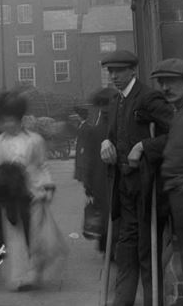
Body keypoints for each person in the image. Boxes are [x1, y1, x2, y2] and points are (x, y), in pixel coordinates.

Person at [99, 49, 173, 306]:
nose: (114, 76)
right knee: (125, 252)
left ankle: (154, 302)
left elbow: (176, 134)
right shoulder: (115, 100)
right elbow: (113, 134)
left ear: (133, 70)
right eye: (110, 71)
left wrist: (144, 146)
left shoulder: (149, 97)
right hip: (123, 188)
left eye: (118, 70)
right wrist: (106, 143)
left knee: (147, 254)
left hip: (147, 189)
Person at [0, 90, 60, 290]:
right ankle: (20, 277)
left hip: (34, 193)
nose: (7, 124)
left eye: (11, 120)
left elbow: (42, 165)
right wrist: (4, 176)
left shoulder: (35, 140)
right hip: (11, 197)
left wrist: (48, 185)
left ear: (19, 119)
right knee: (15, 237)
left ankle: (35, 270)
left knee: (37, 235)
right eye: (3, 120)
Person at [151, 59, 183, 305]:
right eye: (161, 82)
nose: (164, 87)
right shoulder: (180, 112)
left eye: (171, 81)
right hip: (177, 195)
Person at [83, 87, 118, 249]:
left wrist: (88, 185)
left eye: (106, 104)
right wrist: (89, 184)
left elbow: (88, 160)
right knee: (110, 214)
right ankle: (110, 247)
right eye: (101, 104)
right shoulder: (100, 130)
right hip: (103, 180)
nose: (104, 108)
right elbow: (89, 159)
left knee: (109, 214)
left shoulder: (98, 129)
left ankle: (108, 247)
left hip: (108, 180)